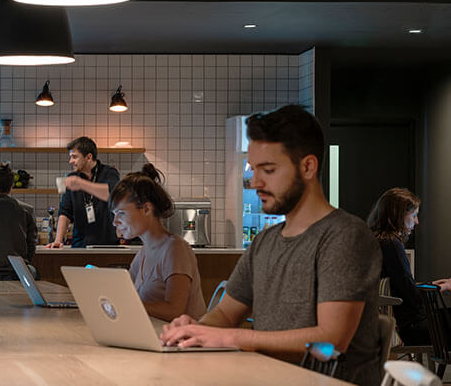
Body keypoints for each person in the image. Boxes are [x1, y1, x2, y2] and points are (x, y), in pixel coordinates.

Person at [159, 105, 381, 386]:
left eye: (269, 170)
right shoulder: (265, 241)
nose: (255, 182)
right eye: (254, 169)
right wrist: (196, 330)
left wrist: (232, 337)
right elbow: (227, 313)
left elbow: (331, 342)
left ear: (308, 167)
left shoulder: (346, 236)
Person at [110, 164, 206, 321]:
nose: (115, 222)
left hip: (184, 341)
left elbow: (175, 310)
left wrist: (128, 303)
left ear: (146, 209)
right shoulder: (142, 254)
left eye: (121, 213)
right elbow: (126, 295)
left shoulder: (175, 249)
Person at [368, 188, 428, 344]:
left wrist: (431, 286)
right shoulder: (392, 244)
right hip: (408, 327)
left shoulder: (376, 241)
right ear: (398, 215)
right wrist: (434, 291)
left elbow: (403, 285)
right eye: (414, 215)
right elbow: (409, 292)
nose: (417, 222)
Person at [45, 136, 120, 248]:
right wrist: (58, 240)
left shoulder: (109, 173)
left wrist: (81, 184)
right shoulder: (73, 177)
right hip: (79, 244)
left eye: (74, 157)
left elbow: (112, 195)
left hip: (107, 244)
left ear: (88, 157)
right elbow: (65, 212)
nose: (71, 161)